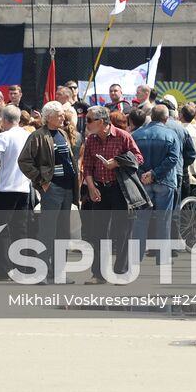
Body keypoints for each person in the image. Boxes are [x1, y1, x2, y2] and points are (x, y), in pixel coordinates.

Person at [79, 106, 142, 284]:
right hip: (100, 188)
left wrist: (117, 162)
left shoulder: (122, 136)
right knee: (99, 231)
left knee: (123, 231)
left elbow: (138, 158)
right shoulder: (90, 140)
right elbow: (87, 166)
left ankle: (120, 272)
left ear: (101, 122)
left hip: (120, 188)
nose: (86, 123)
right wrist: (91, 187)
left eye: (89, 120)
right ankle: (99, 274)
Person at [18, 102, 80, 277]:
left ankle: (58, 271)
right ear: (48, 117)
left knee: (63, 231)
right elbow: (24, 161)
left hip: (67, 188)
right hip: (52, 189)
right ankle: (42, 271)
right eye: (59, 115)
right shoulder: (38, 136)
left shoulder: (62, 133)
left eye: (62, 114)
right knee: (47, 231)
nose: (63, 117)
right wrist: (41, 181)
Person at [0, 105, 33, 282]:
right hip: (24, 187)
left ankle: (4, 269)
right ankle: (22, 267)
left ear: (4, 120)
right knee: (21, 229)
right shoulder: (28, 135)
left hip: (7, 188)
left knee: (2, 229)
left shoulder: (4, 136)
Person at [129, 104, 183, 264]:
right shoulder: (171, 134)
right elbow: (173, 158)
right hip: (164, 181)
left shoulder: (137, 134)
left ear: (151, 116)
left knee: (141, 220)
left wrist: (144, 173)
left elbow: (131, 158)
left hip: (143, 181)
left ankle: (136, 257)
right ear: (166, 118)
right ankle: (162, 257)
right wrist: (154, 174)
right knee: (163, 220)